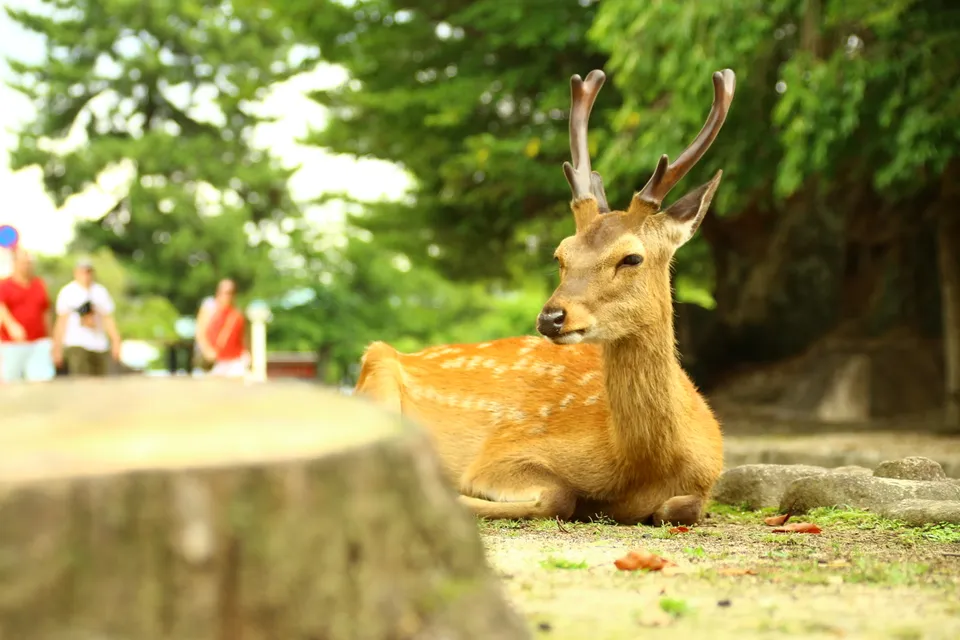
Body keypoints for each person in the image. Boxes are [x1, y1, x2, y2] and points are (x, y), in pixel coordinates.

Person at [52, 257, 122, 377]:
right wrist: (57, 348)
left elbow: (108, 319)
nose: (85, 275)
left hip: (99, 344)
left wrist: (116, 341)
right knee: (82, 380)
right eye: (82, 271)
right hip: (77, 343)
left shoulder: (100, 292)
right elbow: (61, 322)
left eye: (88, 272)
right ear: (76, 272)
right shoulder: (68, 292)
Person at [0, 248, 55, 383]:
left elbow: (46, 311)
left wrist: (50, 337)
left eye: (29, 263)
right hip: (12, 344)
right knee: (11, 381)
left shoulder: (39, 284)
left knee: (42, 380)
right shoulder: (5, 285)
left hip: (38, 342)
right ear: (15, 263)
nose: (27, 266)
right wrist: (11, 325)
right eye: (23, 263)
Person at [203, 279, 248, 378]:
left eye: (231, 293)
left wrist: (247, 354)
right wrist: (207, 350)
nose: (227, 296)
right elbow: (201, 333)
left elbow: (243, 337)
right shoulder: (210, 310)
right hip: (216, 360)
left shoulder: (237, 314)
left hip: (235, 360)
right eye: (225, 293)